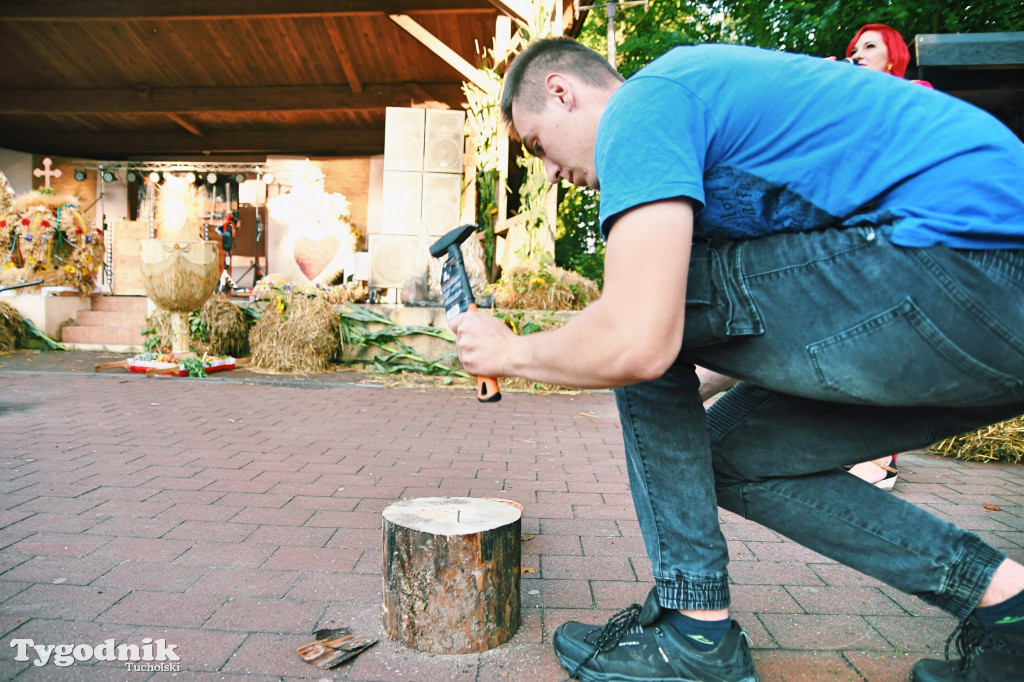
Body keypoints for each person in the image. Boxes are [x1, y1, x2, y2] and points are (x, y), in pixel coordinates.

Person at [451, 37, 1024, 682]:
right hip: (979, 307)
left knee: (654, 291)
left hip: (967, 260)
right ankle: (1010, 606)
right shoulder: (706, 117)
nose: (550, 172)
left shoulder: (644, 103)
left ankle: (694, 632)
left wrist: (511, 350)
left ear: (562, 91)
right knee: (729, 456)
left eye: (537, 147)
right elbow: (800, 300)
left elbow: (640, 336)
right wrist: (696, 376)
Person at [847, 22, 934, 88]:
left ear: (891, 58)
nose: (857, 56)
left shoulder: (914, 89)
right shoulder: (848, 94)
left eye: (870, 46)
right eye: (853, 52)